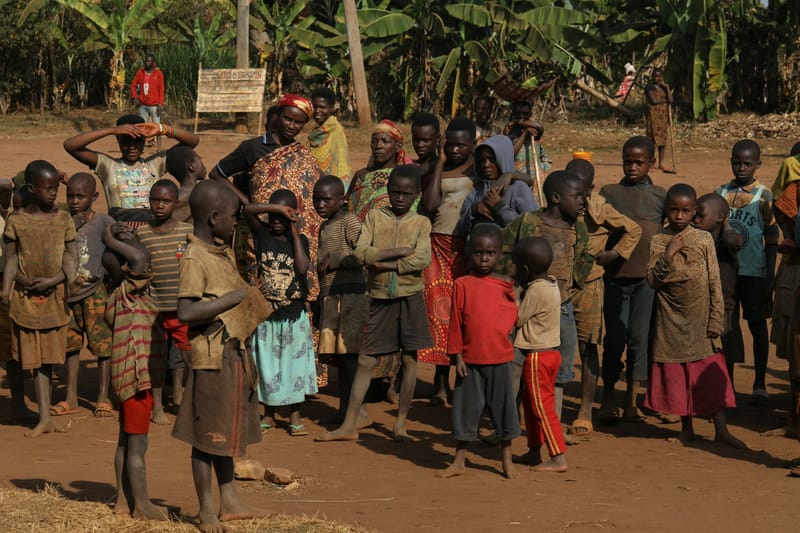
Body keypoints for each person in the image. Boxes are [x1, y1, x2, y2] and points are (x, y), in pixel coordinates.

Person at [173, 180, 272, 533]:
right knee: (207, 439)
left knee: (227, 434)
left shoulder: (219, 249)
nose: (235, 223)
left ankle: (230, 502)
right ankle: (206, 511)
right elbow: (185, 312)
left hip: (233, 355)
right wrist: (232, 299)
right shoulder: (195, 257)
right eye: (232, 217)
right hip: (211, 360)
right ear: (214, 217)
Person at [316, 165, 432, 443]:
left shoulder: (421, 223)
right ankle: (349, 424)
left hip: (410, 296)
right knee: (366, 359)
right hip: (379, 297)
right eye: (395, 192)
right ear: (387, 192)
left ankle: (401, 422)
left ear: (417, 194)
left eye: (406, 193)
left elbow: (422, 259)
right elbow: (360, 253)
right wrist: (391, 257)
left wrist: (383, 264)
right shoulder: (374, 218)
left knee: (409, 359)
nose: (400, 198)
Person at [644, 184, 746, 449]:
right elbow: (653, 281)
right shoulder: (658, 241)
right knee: (678, 377)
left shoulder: (703, 240)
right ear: (666, 210)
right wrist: (668, 254)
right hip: (669, 320)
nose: (679, 216)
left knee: (709, 376)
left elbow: (714, 280)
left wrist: (716, 318)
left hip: (700, 319)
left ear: (692, 212)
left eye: (686, 211)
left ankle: (721, 429)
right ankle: (686, 428)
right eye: (674, 210)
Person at [500, 171, 591, 422]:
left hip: (561, 309)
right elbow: (505, 249)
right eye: (577, 196)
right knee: (516, 365)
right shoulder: (529, 221)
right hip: (525, 307)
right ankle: (507, 422)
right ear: (555, 198)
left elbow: (585, 258)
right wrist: (513, 283)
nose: (583, 201)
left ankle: (551, 423)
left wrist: (572, 286)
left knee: (558, 372)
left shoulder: (578, 229)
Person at [210, 94, 323, 294]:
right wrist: (246, 200)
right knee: (263, 282)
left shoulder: (302, 153)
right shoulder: (252, 148)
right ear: (277, 115)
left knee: (293, 284)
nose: (291, 125)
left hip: (295, 229)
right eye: (287, 118)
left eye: (298, 123)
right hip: (262, 226)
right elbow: (217, 173)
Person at [437, 224, 520, 479]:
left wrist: (515, 295)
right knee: (465, 410)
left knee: (504, 410)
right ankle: (459, 460)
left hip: (501, 359)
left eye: (490, 253)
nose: (484, 259)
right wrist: (457, 356)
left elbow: (514, 319)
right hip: (470, 361)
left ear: (500, 255)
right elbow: (455, 323)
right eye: (478, 253)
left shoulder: (506, 286)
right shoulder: (461, 284)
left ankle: (507, 459)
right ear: (469, 253)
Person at [1, 160, 77, 437]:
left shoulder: (64, 219)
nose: (54, 193)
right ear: (32, 189)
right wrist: (23, 282)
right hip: (26, 301)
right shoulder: (17, 221)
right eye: (48, 188)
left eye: (56, 188)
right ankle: (43, 416)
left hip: (55, 299)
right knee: (32, 361)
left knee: (49, 359)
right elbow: (9, 258)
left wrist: (55, 281)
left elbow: (72, 257)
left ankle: (46, 417)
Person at [566, 159, 641, 435]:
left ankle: (585, 410)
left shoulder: (599, 208)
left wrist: (615, 254)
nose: (576, 192)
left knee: (588, 347)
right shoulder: (558, 204)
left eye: (581, 189)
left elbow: (633, 229)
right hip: (559, 286)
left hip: (589, 286)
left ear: (590, 188)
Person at [103, 221, 168, 520]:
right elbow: (140, 259)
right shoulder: (132, 294)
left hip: (125, 378)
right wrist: (110, 237)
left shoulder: (117, 299)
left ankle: (121, 499)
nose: (147, 265)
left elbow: (138, 259)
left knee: (125, 441)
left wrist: (122, 239)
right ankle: (141, 504)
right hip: (137, 379)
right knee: (138, 445)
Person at [599, 136, 666, 423]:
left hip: (646, 281)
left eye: (639, 162)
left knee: (640, 338)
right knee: (614, 339)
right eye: (628, 161)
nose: (633, 167)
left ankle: (633, 401)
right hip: (615, 277)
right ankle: (609, 396)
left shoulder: (661, 197)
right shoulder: (609, 192)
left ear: (651, 163)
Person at [418, 118, 476, 405]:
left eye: (461, 145)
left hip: (467, 249)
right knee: (440, 317)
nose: (454, 150)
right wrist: (440, 164)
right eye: (450, 144)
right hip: (438, 247)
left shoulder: (480, 167)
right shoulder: (439, 167)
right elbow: (429, 205)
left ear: (473, 145)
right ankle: (440, 383)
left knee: (463, 316)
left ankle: (462, 383)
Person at [714, 140, 777, 404]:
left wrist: (769, 275)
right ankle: (727, 382)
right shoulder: (720, 193)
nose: (741, 168)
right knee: (728, 325)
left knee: (756, 324)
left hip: (754, 272)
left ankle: (759, 382)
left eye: (747, 164)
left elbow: (772, 236)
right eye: (737, 162)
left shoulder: (764, 196)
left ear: (757, 165)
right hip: (727, 271)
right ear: (731, 161)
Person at [251, 189, 317, 436]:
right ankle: (268, 414)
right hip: (267, 315)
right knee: (267, 366)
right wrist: (275, 209)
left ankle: (294, 416)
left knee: (293, 367)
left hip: (293, 314)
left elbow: (301, 267)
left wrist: (295, 233)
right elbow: (246, 209)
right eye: (273, 216)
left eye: (283, 216)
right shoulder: (262, 235)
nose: (276, 222)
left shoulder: (300, 241)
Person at [63, 114, 199, 223]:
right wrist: (111, 130)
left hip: (150, 227)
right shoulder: (107, 165)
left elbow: (193, 141)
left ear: (145, 140)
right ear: (118, 140)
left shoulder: (155, 163)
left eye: (137, 141)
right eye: (125, 141)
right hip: (119, 228)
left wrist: (163, 129)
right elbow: (70, 145)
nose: (132, 147)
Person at [134, 180, 193, 422]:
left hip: (182, 308)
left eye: (166, 201)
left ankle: (189, 405)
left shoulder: (185, 232)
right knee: (155, 360)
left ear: (176, 203)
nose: (159, 205)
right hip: (154, 308)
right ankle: (157, 406)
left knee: (191, 358)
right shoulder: (142, 234)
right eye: (155, 200)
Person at [313, 175, 370, 422]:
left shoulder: (349, 222)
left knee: (349, 357)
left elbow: (365, 252)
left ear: (342, 199)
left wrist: (338, 260)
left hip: (351, 296)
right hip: (331, 297)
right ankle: (346, 410)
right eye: (316, 199)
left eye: (326, 199)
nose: (320, 204)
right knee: (339, 357)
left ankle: (353, 412)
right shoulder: (324, 227)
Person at [62, 173, 115, 418]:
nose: (74, 201)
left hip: (96, 293)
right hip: (68, 294)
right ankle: (70, 397)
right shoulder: (62, 221)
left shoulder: (104, 221)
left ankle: (103, 397)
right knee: (70, 346)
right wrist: (73, 223)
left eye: (80, 196)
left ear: (94, 197)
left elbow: (119, 244)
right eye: (70, 195)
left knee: (103, 346)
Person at [513, 236, 568, 472]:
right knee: (531, 404)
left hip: (538, 356)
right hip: (549, 353)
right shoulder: (552, 283)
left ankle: (557, 457)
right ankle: (534, 450)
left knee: (542, 407)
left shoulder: (535, 291)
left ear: (525, 269)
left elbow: (517, 319)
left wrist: (514, 297)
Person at [692, 193, 744, 381]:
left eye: (701, 215)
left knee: (725, 353)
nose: (695, 220)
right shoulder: (695, 238)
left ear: (720, 217)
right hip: (699, 304)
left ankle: (726, 393)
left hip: (724, 305)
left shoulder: (726, 241)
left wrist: (726, 224)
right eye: (694, 214)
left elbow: (734, 241)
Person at [458, 135, 536, 235]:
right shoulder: (477, 190)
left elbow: (531, 228)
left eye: (492, 159)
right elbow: (461, 229)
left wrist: (500, 207)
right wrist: (474, 210)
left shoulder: (518, 188)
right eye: (482, 160)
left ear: (503, 159)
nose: (486, 165)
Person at [347, 119, 414, 222]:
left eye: (384, 141)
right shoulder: (361, 175)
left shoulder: (403, 177)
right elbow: (346, 204)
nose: (378, 146)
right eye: (374, 142)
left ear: (398, 146)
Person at [505, 100, 551, 206]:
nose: (521, 116)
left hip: (536, 176)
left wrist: (521, 123)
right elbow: (512, 153)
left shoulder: (533, 129)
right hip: (519, 177)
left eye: (525, 114)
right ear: (512, 114)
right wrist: (524, 133)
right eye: (518, 113)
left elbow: (540, 127)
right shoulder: (509, 131)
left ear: (530, 115)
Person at [309, 87, 352, 187]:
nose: (317, 111)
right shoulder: (317, 131)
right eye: (315, 107)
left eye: (322, 107)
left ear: (332, 108)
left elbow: (340, 161)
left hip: (334, 185)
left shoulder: (335, 130)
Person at [130, 54, 165, 148]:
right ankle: (140, 147)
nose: (147, 63)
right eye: (146, 61)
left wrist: (160, 104)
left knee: (157, 126)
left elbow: (161, 89)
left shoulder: (159, 74)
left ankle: (159, 147)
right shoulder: (140, 72)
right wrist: (135, 97)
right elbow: (133, 85)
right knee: (142, 127)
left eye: (150, 61)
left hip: (154, 105)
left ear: (153, 63)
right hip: (142, 105)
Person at [166, 145, 206, 223]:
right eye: (200, 160)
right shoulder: (202, 194)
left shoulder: (174, 198)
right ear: (191, 166)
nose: (203, 164)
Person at [645, 68, 673, 170]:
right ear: (652, 76)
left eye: (659, 76)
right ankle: (651, 163)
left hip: (662, 119)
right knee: (651, 141)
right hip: (652, 118)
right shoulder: (649, 87)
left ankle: (661, 163)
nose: (657, 78)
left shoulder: (664, 88)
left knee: (662, 142)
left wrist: (668, 88)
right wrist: (666, 100)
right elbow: (654, 100)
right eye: (655, 76)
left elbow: (671, 100)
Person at [411, 112, 440, 183]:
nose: (420, 145)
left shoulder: (443, 167)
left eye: (426, 140)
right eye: (416, 140)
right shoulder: (409, 165)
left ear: (438, 139)